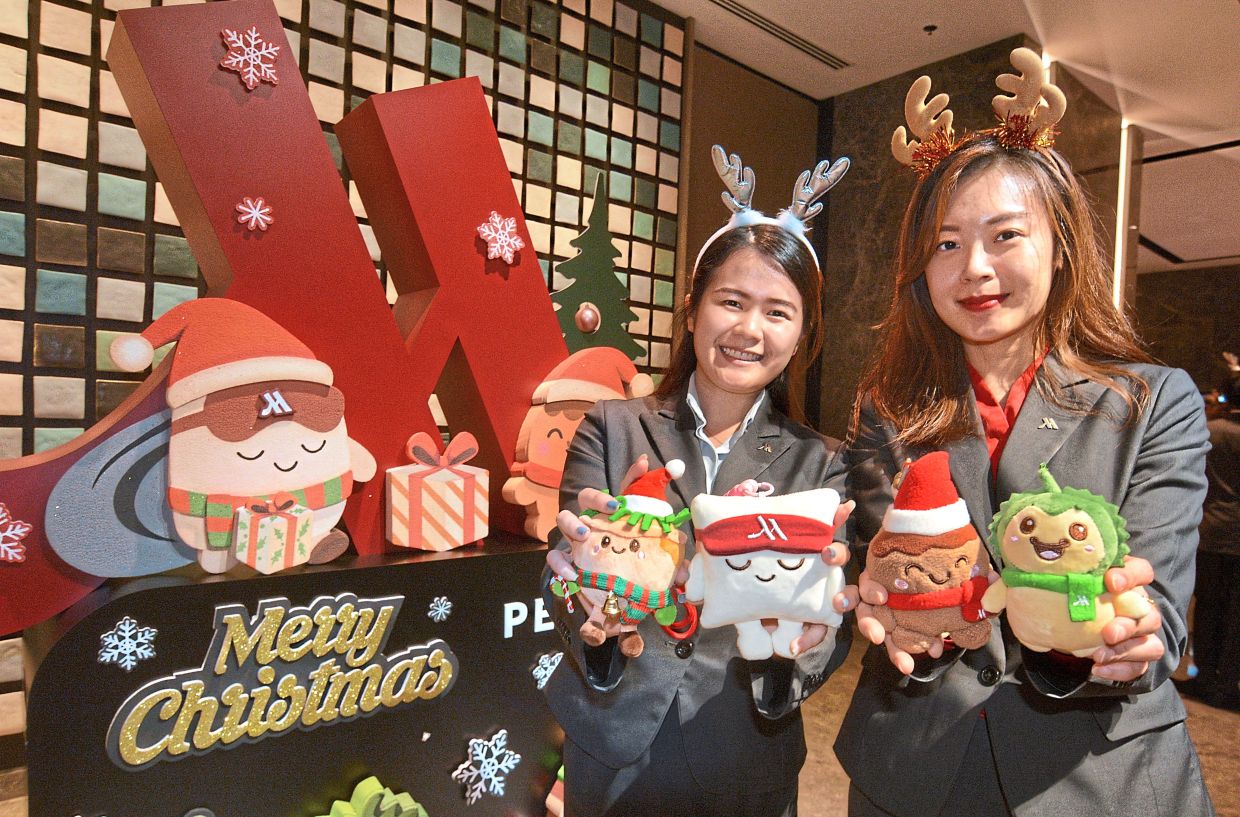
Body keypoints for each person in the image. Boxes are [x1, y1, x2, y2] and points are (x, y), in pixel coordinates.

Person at [834, 48, 1215, 817]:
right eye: (946, 244)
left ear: (1060, 244)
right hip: (915, 770)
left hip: (1097, 776)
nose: (974, 267)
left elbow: (1160, 614)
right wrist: (870, 599)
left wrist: (1134, 637)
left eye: (1005, 235)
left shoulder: (1153, 402)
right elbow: (891, 574)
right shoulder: (889, 409)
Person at [542, 147, 853, 817]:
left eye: (778, 312)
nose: (749, 328)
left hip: (744, 750)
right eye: (731, 301)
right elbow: (564, 562)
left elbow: (832, 612)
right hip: (615, 737)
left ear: (803, 335)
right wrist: (589, 611)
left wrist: (795, 653)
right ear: (692, 310)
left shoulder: (821, 464)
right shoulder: (613, 424)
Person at [1181, 353, 1240, 709]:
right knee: (1235, 614)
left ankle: (1202, 674)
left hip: (1211, 532)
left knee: (1207, 607)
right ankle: (1228, 677)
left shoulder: (1210, 432)